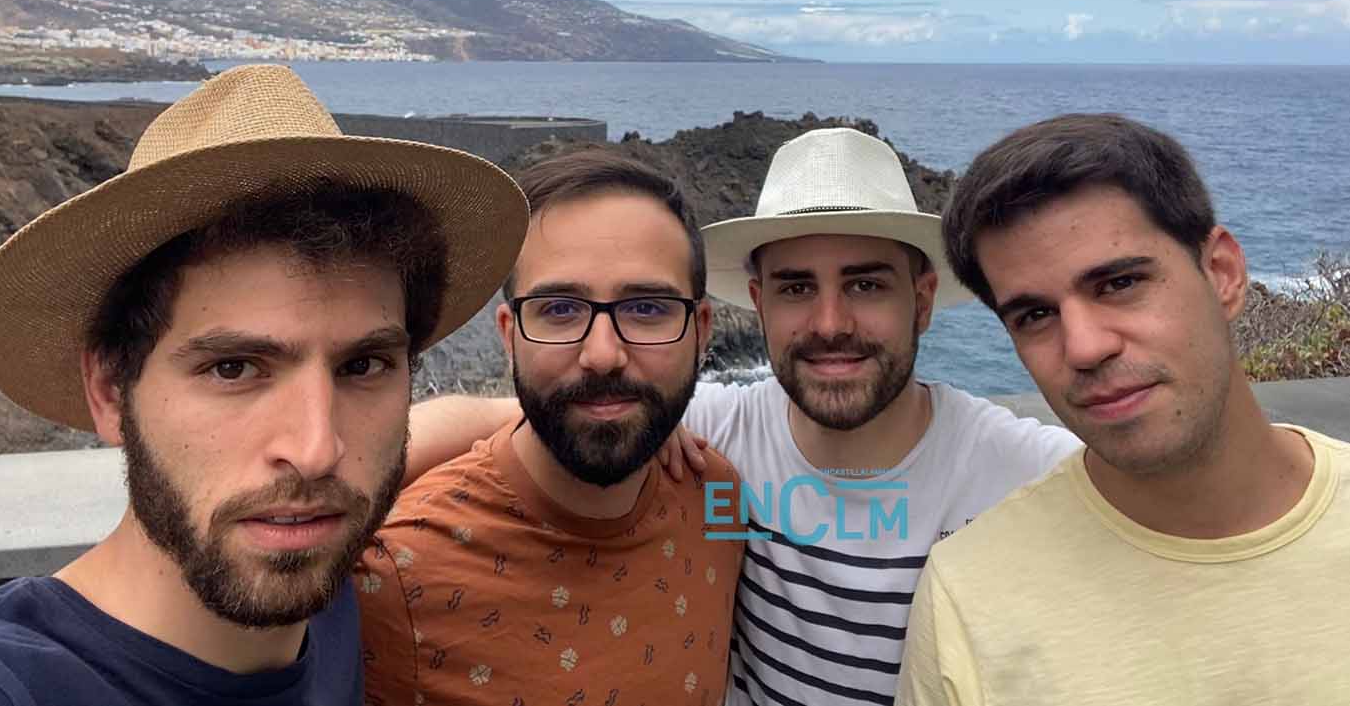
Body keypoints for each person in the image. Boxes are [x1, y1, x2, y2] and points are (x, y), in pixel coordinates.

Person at [401, 127, 1080, 706]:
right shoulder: (713, 433)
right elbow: (531, 412)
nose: (829, 323)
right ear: (756, 303)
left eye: (866, 283)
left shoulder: (1021, 470)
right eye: (794, 287)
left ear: (922, 299)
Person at [0, 64, 528, 706]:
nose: (317, 450)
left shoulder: (303, 542)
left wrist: (585, 417)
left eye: (361, 367)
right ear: (110, 391)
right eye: (234, 369)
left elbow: (437, 429)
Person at [897, 113, 1350, 705]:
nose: (1084, 347)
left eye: (1118, 284)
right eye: (1035, 315)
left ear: (1223, 274)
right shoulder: (968, 598)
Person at [355, 149, 745, 706]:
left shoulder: (716, 498)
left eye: (648, 309)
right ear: (509, 334)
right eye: (560, 309)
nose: (603, 356)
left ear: (701, 329)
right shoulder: (390, 573)